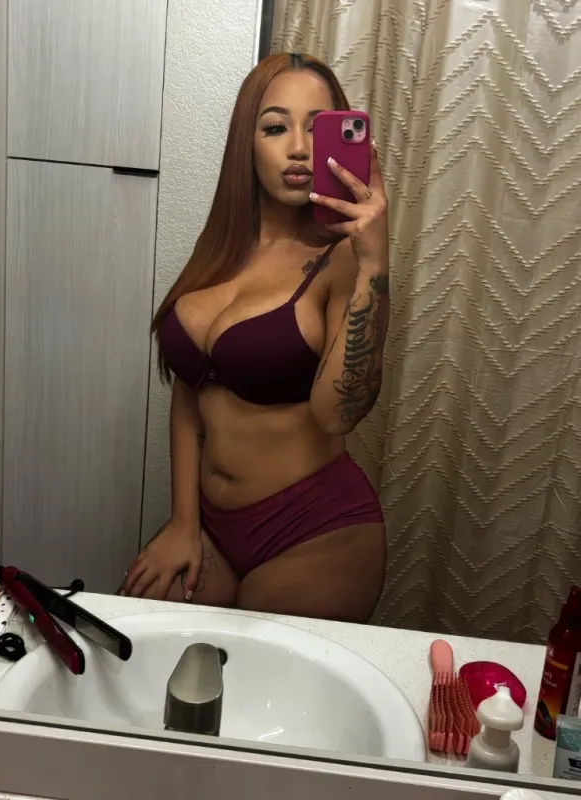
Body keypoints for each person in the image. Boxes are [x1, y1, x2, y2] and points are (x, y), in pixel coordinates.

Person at [120, 52, 390, 623]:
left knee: (258, 677)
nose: (298, 148)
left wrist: (373, 262)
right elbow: (190, 395)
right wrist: (183, 521)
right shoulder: (219, 251)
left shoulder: (340, 259)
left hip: (316, 531)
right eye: (274, 127)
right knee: (138, 646)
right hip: (211, 525)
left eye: (316, 128)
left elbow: (338, 414)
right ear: (247, 143)